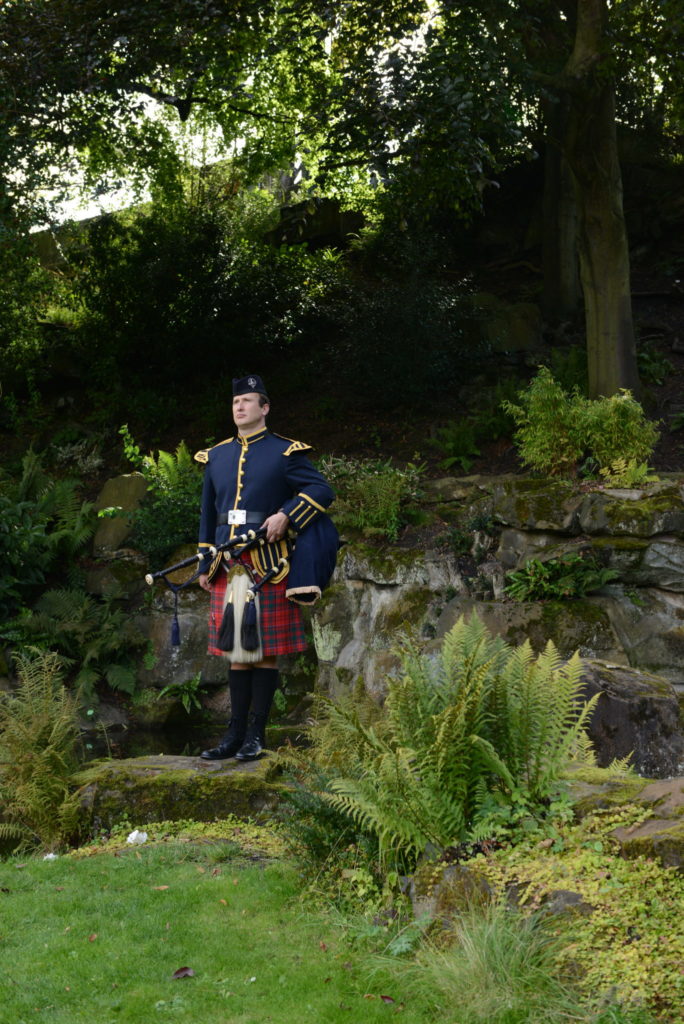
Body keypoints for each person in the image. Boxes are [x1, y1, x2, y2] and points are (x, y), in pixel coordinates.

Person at [195, 373, 337, 761]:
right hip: (227, 563)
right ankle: (233, 737)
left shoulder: (285, 452)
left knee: (265, 652)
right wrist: (205, 561)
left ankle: (256, 737)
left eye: (248, 401)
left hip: (269, 564)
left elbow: (322, 490)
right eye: (236, 402)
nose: (240, 407)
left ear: (265, 407)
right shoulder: (217, 455)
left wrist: (287, 515)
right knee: (237, 652)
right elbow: (208, 513)